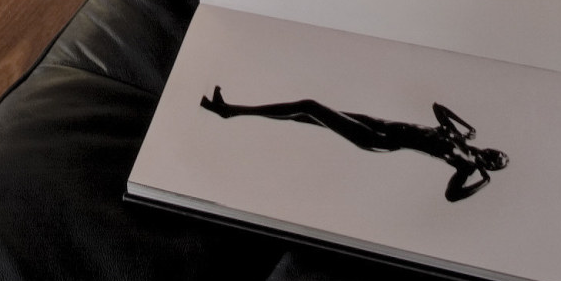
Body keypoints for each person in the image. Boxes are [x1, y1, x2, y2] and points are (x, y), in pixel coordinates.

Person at [200, 87, 507, 202]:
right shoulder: (460, 137)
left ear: (489, 167)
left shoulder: (466, 166)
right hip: (378, 124)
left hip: (378, 140)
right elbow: (438, 107)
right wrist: (467, 125)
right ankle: (229, 110)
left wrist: (483, 183)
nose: (494, 156)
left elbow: (451, 196)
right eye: (499, 154)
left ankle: (230, 111)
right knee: (304, 117)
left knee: (308, 106)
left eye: (497, 162)